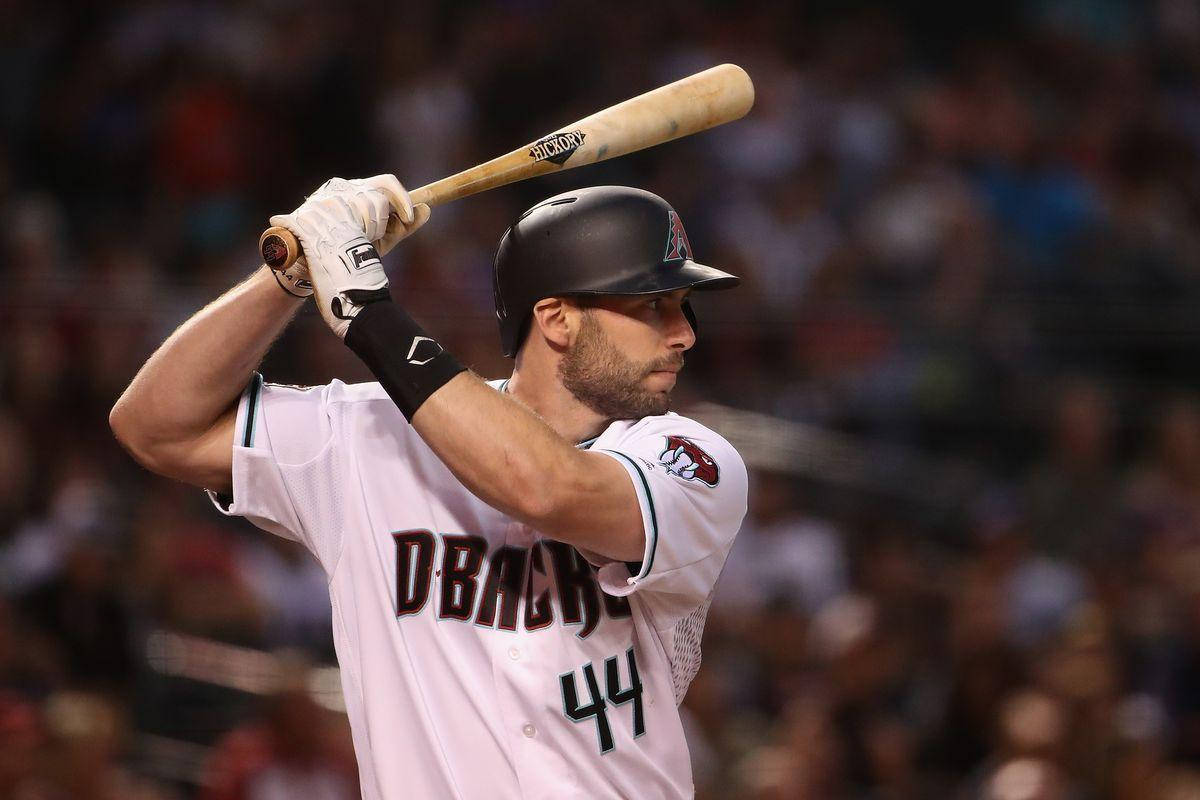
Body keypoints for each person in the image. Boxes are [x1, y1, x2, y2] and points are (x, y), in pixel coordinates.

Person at [110, 176, 748, 799]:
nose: (684, 333)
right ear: (557, 318)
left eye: (683, 307)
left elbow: (547, 488)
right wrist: (291, 277)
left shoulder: (691, 460)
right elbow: (154, 427)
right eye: (652, 306)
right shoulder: (364, 436)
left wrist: (369, 314)